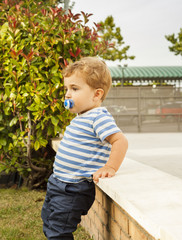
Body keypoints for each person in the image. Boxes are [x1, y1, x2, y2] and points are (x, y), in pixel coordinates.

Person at [41, 57, 128, 239]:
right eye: (66, 89)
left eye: (74, 89)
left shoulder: (98, 117)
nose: (67, 94)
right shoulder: (82, 117)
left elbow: (120, 141)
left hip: (73, 189)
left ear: (96, 95)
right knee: (49, 222)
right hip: (58, 182)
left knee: (59, 231)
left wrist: (110, 167)